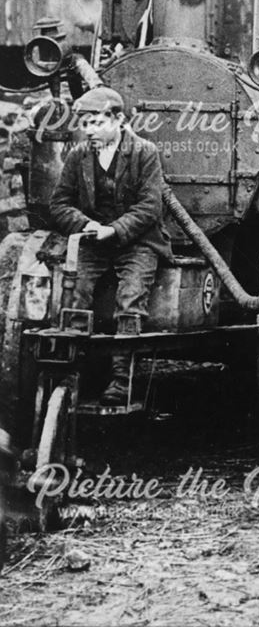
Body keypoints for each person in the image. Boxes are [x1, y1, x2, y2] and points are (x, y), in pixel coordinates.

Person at [50, 86, 171, 404]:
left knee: (130, 298)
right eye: (85, 124)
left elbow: (150, 207)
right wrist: (85, 225)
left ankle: (121, 380)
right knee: (74, 296)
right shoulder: (78, 156)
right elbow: (60, 203)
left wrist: (115, 230)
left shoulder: (145, 152)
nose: (89, 131)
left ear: (118, 120)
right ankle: (72, 373)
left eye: (96, 123)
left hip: (138, 242)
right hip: (93, 241)